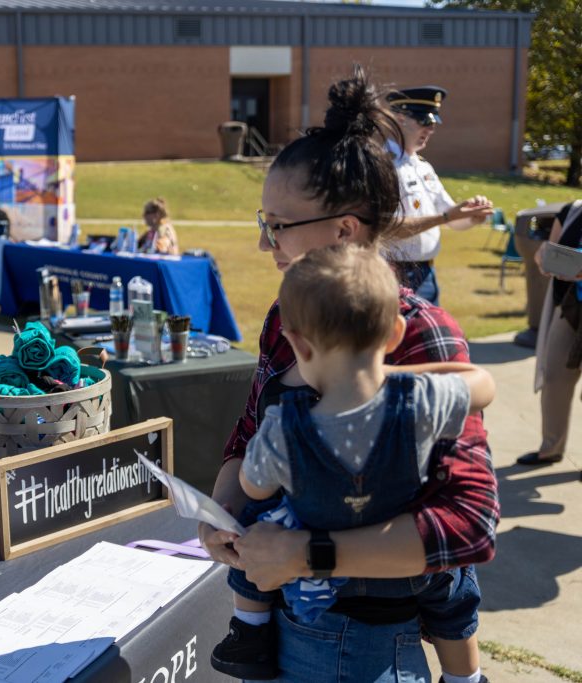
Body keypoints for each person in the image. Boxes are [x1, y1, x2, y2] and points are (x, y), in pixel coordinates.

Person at [199, 67, 498, 683]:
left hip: (365, 642)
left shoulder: (422, 334)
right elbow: (255, 424)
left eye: (278, 224)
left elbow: (469, 523)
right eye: (264, 221)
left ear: (344, 229)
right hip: (288, 619)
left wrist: (310, 555)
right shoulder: (289, 314)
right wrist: (221, 513)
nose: (265, 243)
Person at [222, 244, 493, 683]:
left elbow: (251, 487)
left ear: (298, 345)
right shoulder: (423, 400)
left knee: (259, 518)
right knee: (456, 584)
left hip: (320, 588)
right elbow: (482, 388)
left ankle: (248, 630)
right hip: (409, 576)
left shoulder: (281, 428)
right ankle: (465, 676)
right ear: (394, 335)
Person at [384, 86, 494, 305]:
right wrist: (446, 218)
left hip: (426, 273)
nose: (431, 128)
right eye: (424, 121)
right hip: (393, 273)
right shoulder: (383, 165)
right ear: (400, 118)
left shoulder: (423, 166)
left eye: (434, 122)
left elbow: (452, 218)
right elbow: (389, 228)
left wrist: (472, 216)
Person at [518, 199, 582, 468]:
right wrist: (544, 257)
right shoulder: (571, 211)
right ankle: (551, 448)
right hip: (571, 306)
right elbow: (549, 252)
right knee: (554, 375)